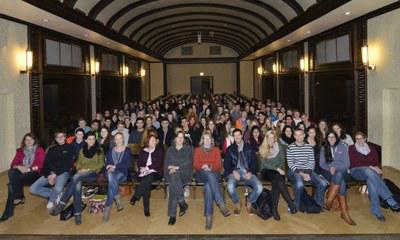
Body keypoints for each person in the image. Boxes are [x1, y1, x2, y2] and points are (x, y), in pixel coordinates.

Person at [51, 132, 104, 225]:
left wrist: (87, 169)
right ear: (86, 140)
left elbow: (101, 164)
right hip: (81, 174)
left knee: (76, 177)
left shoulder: (99, 150)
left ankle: (62, 203)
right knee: (77, 184)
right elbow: (79, 163)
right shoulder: (82, 150)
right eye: (89, 139)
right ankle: (77, 214)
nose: (92, 141)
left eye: (93, 139)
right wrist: (80, 169)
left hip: (93, 174)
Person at [349, 132, 400, 222]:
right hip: (356, 171)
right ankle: (388, 197)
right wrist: (371, 167)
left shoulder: (371, 148)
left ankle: (376, 210)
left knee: (371, 181)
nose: (359, 140)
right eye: (357, 139)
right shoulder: (352, 148)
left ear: (365, 139)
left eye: (361, 138)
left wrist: (377, 168)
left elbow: (376, 162)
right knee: (369, 171)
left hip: (370, 173)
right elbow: (354, 163)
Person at [0, 133, 45, 222]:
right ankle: (18, 197)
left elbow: (41, 165)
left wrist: (28, 169)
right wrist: (20, 167)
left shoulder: (39, 150)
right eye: (26, 140)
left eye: (31, 139)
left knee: (11, 185)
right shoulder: (20, 151)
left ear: (34, 141)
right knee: (12, 172)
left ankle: (9, 210)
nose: (29, 141)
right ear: (24, 141)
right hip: (22, 174)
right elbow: (13, 164)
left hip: (35, 174)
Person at [193, 130, 231, 230]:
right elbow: (195, 165)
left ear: (211, 140)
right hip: (201, 174)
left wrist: (209, 165)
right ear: (202, 140)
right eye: (205, 138)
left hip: (214, 173)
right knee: (209, 176)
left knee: (209, 187)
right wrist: (203, 166)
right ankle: (220, 202)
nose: (206, 140)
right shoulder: (197, 150)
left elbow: (218, 165)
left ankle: (208, 217)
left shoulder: (216, 150)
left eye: (208, 138)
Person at [30, 131, 74, 211]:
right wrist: (49, 174)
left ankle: (52, 200)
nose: (60, 138)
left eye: (62, 136)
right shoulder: (51, 149)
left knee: (57, 188)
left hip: (63, 172)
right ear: (56, 139)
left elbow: (67, 164)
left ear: (65, 137)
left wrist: (55, 174)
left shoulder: (70, 148)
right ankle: (57, 194)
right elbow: (46, 163)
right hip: (50, 173)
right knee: (33, 188)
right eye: (58, 137)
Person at [259, 131, 297, 221]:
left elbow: (282, 162)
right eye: (269, 137)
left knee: (277, 181)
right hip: (266, 172)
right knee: (278, 179)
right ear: (266, 138)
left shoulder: (279, 147)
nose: (271, 139)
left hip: (278, 173)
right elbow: (264, 164)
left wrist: (279, 169)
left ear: (275, 138)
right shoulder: (262, 148)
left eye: (272, 137)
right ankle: (290, 203)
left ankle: (274, 210)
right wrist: (277, 169)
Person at [319, 132, 356, 225]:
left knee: (339, 174)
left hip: (342, 171)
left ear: (336, 138)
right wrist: (329, 168)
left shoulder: (342, 147)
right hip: (328, 172)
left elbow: (347, 164)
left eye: (333, 137)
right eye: (329, 137)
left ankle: (329, 200)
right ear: (326, 138)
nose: (331, 139)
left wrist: (335, 167)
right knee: (341, 183)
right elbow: (322, 164)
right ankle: (344, 213)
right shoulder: (324, 148)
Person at [287, 129, 328, 210]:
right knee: (300, 184)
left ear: (304, 135)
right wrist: (302, 174)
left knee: (323, 183)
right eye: (297, 135)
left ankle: (317, 204)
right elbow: (291, 164)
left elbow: (311, 162)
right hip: (294, 171)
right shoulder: (290, 147)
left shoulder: (309, 147)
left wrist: (308, 173)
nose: (299, 137)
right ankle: (296, 205)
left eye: (300, 135)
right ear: (294, 136)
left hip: (308, 170)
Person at [224, 128, 262, 215]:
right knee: (230, 187)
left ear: (242, 136)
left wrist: (250, 172)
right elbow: (226, 165)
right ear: (233, 137)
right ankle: (237, 202)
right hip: (235, 173)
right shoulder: (230, 149)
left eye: (239, 135)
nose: (237, 137)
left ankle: (249, 201)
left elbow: (254, 162)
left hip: (247, 172)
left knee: (259, 187)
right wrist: (233, 171)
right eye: (235, 135)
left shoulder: (249, 147)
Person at [130, 134, 164, 217]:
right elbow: (139, 162)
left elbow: (158, 164)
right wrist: (141, 168)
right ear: (147, 142)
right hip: (144, 173)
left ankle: (136, 196)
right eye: (152, 140)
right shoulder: (143, 150)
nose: (154, 142)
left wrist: (147, 168)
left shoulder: (159, 150)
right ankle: (146, 209)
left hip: (156, 172)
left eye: (155, 140)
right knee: (146, 184)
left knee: (149, 177)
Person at [164, 131, 193, 226]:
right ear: (175, 139)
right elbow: (166, 164)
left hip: (185, 173)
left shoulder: (188, 149)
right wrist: (170, 168)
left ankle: (173, 214)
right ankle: (182, 203)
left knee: (174, 182)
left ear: (184, 140)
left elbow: (188, 163)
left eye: (182, 137)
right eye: (178, 137)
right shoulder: (170, 150)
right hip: (172, 174)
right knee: (174, 180)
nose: (180, 139)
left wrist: (176, 167)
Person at [103, 132, 132, 223]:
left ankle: (107, 209)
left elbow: (126, 164)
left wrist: (114, 167)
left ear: (123, 139)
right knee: (111, 176)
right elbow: (108, 162)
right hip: (111, 172)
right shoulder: (110, 150)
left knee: (111, 181)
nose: (118, 140)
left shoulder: (127, 150)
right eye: (116, 139)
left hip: (122, 173)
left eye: (120, 138)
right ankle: (117, 198)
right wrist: (108, 166)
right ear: (114, 141)